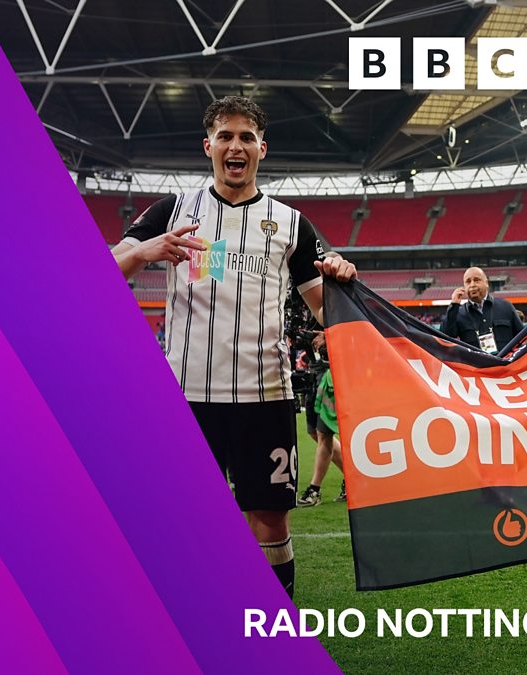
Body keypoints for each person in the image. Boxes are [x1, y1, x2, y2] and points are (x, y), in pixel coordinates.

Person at [111, 95, 357, 599]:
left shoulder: (291, 223)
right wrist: (146, 250)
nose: (236, 146)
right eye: (225, 136)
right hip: (185, 399)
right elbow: (106, 269)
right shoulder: (174, 210)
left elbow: (324, 310)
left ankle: (270, 627)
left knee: (269, 518)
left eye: (247, 137)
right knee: (182, 517)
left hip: (264, 398)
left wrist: (341, 278)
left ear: (262, 148)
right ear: (209, 146)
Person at [298, 332, 346, 506]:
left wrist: (328, 335)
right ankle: (353, 479)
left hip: (331, 374)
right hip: (314, 373)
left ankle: (314, 489)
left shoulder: (334, 314)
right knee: (314, 432)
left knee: (324, 434)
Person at [439, 266, 524, 354]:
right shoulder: (458, 313)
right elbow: (444, 338)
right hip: (475, 362)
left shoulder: (506, 307)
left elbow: (523, 339)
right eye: (468, 281)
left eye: (477, 280)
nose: (472, 285)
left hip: (505, 361)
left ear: (486, 283)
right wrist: (453, 305)